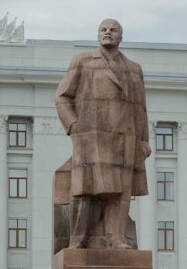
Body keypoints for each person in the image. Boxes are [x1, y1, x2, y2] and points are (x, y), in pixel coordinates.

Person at [55, 17, 149, 249]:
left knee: (120, 192)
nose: (108, 33)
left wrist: (144, 140)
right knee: (86, 190)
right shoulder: (83, 61)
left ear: (121, 36)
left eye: (113, 30)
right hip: (91, 136)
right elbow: (62, 97)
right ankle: (78, 240)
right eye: (103, 30)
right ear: (98, 35)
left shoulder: (134, 69)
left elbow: (141, 107)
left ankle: (116, 238)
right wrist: (74, 127)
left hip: (125, 139)